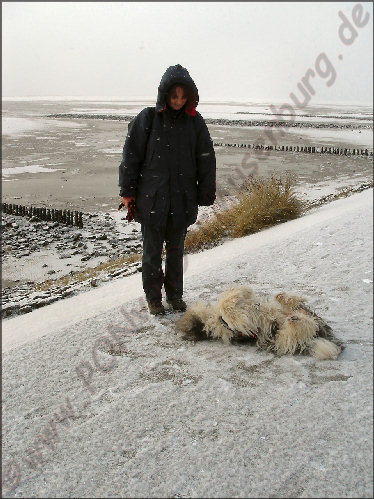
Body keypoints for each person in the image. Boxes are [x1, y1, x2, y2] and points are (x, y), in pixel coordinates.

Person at [118, 64, 216, 315]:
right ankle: (153, 299)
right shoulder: (148, 119)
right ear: (165, 95)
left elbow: (206, 158)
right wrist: (127, 192)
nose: (179, 101)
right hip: (152, 200)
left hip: (182, 200)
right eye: (174, 96)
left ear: (190, 97)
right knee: (151, 253)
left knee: (175, 252)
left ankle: (175, 295)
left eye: (184, 97)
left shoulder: (195, 123)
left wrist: (206, 191)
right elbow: (131, 157)